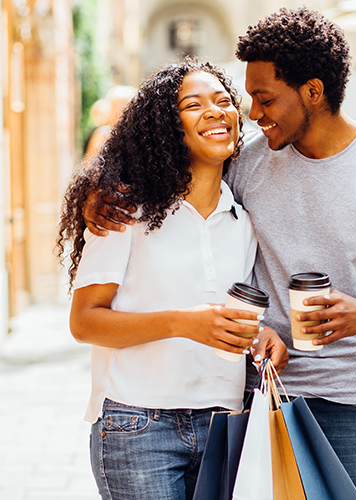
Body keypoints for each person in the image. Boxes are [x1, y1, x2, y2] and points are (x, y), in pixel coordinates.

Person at [80, 8, 356, 500]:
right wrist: (98, 190)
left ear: (313, 91)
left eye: (265, 98)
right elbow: (167, 166)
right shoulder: (249, 161)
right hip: (255, 400)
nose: (252, 113)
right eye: (250, 98)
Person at [56, 58, 287, 500]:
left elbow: (232, 318)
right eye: (194, 105)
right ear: (167, 126)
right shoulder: (125, 212)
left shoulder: (242, 221)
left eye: (224, 101)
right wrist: (185, 323)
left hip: (224, 419)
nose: (216, 111)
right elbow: (84, 322)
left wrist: (261, 338)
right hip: (139, 425)